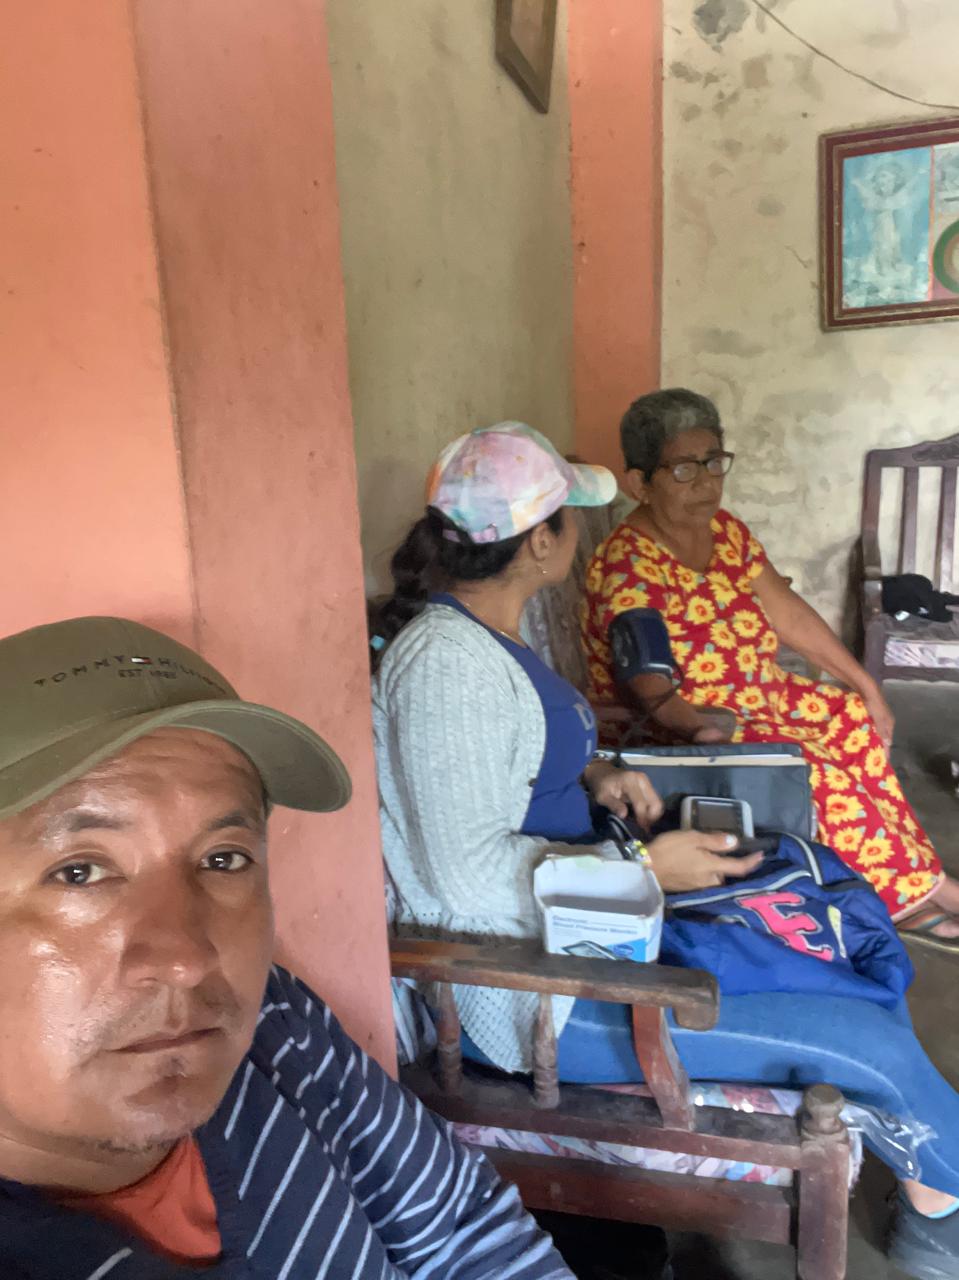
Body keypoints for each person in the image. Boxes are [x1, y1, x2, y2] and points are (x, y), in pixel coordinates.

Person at [374, 422, 959, 1280]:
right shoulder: (445, 667)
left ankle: (931, 1197)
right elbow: (462, 878)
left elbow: (503, 771)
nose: (580, 531)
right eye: (570, 515)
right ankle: (942, 1213)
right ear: (540, 543)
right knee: (866, 1043)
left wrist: (594, 772)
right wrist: (646, 868)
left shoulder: (484, 637)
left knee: (838, 933)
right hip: (538, 994)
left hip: (594, 937)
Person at [0, 615, 575, 1279]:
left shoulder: (276, 1030)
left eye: (223, 859)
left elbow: (464, 1231)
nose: (187, 961)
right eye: (78, 872)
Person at [581, 388, 959, 953]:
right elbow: (648, 682)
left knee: (851, 718)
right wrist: (697, 727)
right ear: (639, 483)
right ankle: (913, 896)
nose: (706, 483)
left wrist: (865, 685)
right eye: (683, 469)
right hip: (692, 725)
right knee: (813, 771)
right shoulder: (628, 563)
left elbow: (788, 613)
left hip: (760, 696)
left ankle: (913, 876)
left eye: (713, 462)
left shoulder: (726, 533)